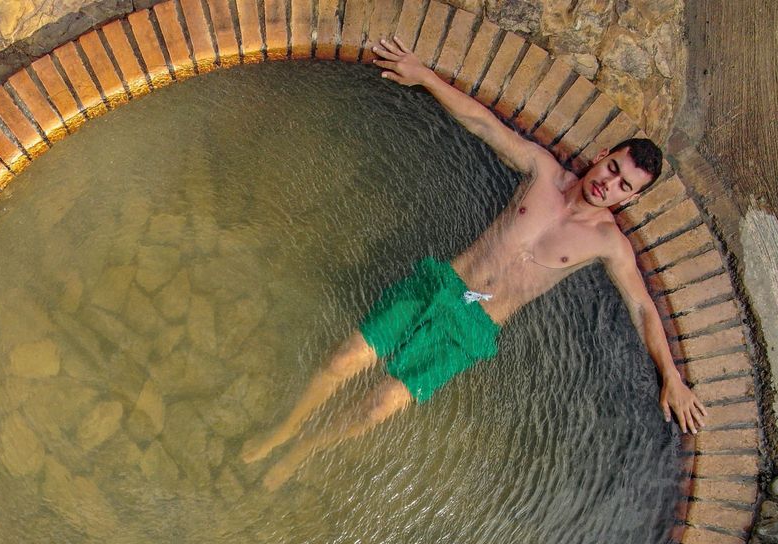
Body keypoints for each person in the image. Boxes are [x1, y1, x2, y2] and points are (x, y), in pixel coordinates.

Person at [243, 37, 706, 490]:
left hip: (471, 328)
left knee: (377, 407)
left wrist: (672, 377)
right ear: (603, 157)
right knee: (343, 359)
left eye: (624, 186)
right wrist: (424, 77)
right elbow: (484, 124)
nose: (610, 183)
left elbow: (642, 307)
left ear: (632, 198)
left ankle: (306, 448)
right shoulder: (543, 172)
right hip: (440, 285)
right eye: (613, 169)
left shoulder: (609, 243)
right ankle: (284, 429)